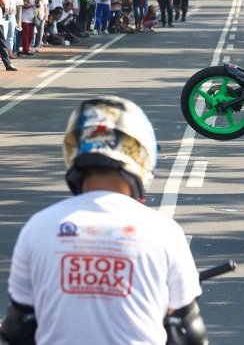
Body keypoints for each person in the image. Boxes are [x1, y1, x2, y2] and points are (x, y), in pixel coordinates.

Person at [0, 96, 208, 345]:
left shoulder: (38, 227)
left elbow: (19, 328)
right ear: (142, 153)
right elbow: (187, 333)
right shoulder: (165, 232)